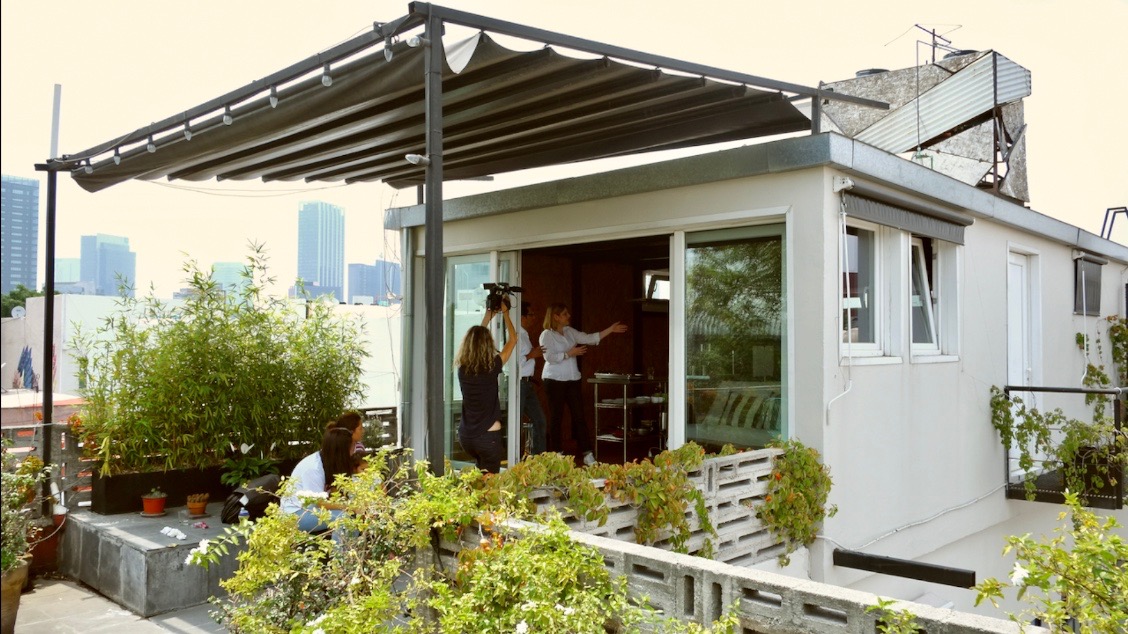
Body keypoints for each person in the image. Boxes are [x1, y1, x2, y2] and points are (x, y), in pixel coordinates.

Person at [539, 303, 627, 466]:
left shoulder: (569, 331)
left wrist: (610, 330)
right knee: (556, 417)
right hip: (554, 380)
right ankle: (557, 454)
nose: (568, 316)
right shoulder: (546, 335)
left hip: (572, 379)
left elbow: (589, 338)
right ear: (556, 317)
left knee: (579, 416)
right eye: (565, 314)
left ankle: (587, 453)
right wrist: (569, 353)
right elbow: (549, 357)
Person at [454, 300, 518, 473]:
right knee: (490, 483)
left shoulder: (462, 368)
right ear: (488, 344)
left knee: (479, 479)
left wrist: (487, 317)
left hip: (467, 437)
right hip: (488, 436)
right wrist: (506, 313)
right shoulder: (492, 366)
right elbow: (513, 340)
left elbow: (475, 341)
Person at [279, 425, 356, 534]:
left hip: (311, 510)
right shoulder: (313, 468)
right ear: (342, 450)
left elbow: (336, 494)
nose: (354, 451)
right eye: (352, 447)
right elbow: (319, 503)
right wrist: (351, 507)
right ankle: (341, 546)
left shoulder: (329, 462)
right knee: (346, 519)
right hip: (296, 513)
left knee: (350, 515)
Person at [518, 301, 548, 456]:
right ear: (522, 317)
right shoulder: (516, 335)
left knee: (539, 420)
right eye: (531, 315)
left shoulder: (524, 334)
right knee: (515, 424)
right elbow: (510, 363)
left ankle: (538, 459)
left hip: (527, 384)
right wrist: (531, 355)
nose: (534, 318)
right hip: (518, 384)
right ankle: (515, 458)